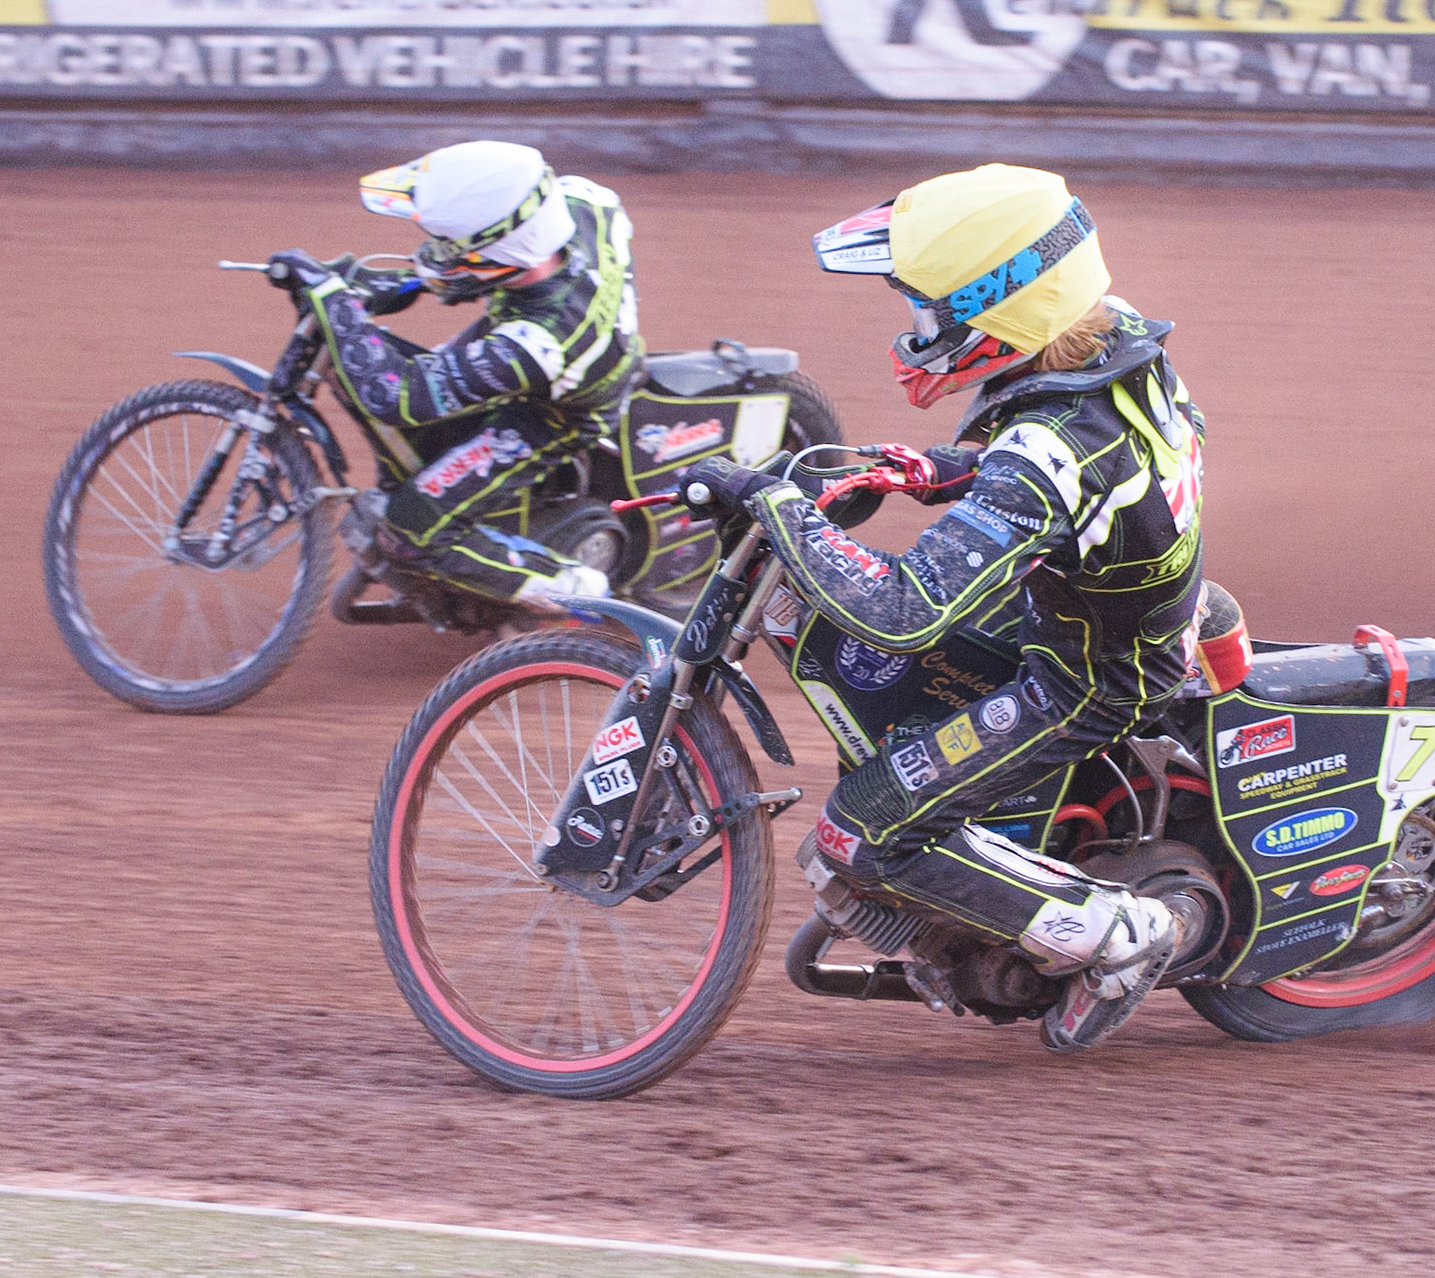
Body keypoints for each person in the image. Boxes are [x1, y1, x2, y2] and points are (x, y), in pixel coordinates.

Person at [681, 164, 1208, 1053]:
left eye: (932, 311)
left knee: (858, 830)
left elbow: (902, 611)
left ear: (999, 311)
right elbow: (1057, 483)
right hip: (1097, 605)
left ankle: (1122, 935)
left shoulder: (1049, 448)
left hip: (1084, 680)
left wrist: (777, 506)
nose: (919, 331)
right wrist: (923, 469)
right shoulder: (1112, 344)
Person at [266, 139, 644, 611]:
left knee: (408, 531)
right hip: (550, 333)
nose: (434, 249)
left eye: (448, 245)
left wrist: (336, 302)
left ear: (501, 253)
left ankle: (572, 587)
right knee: (435, 404)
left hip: (554, 412)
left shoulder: (537, 344)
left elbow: (398, 395)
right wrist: (407, 284)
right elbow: (494, 264)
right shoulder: (580, 201)